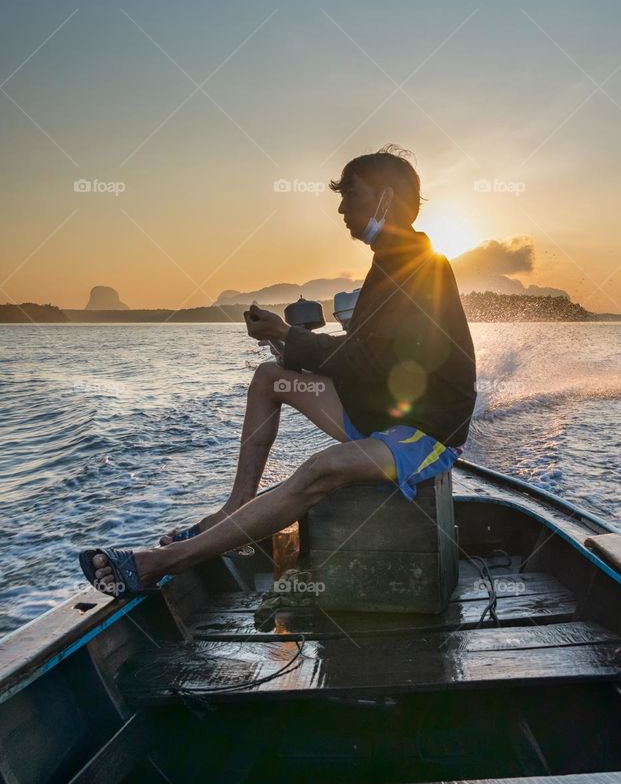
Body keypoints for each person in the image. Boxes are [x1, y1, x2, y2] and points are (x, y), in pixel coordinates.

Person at [80, 147, 477, 596]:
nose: (342, 207)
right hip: (382, 412)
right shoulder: (388, 262)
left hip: (425, 433)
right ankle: (236, 509)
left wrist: (291, 335)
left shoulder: (422, 267)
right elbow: (369, 356)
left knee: (319, 470)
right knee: (270, 379)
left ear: (385, 199)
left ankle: (159, 561)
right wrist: (285, 342)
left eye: (351, 193)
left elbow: (372, 360)